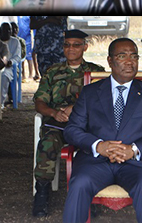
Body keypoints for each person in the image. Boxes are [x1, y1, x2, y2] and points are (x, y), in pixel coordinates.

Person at [62, 37, 142, 223]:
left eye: (134, 56)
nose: (130, 61)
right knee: (79, 183)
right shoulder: (90, 92)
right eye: (122, 56)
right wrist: (98, 146)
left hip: (136, 164)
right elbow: (72, 130)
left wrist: (134, 149)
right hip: (95, 163)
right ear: (110, 61)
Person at [32, 29, 105, 217]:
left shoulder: (96, 72)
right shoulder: (52, 72)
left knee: (98, 145)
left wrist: (77, 107)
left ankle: (94, 194)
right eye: (67, 45)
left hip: (88, 124)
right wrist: (54, 112)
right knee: (47, 142)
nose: (71, 49)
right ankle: (42, 191)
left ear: (85, 47)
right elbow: (39, 101)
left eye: (76, 45)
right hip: (59, 123)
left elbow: (104, 100)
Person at [0, 22, 21, 110]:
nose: (7, 32)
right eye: (4, 30)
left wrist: (10, 62)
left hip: (9, 68)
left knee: (4, 76)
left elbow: (17, 57)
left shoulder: (13, 42)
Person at [17, 15, 36, 81]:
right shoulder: (17, 16)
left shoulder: (28, 16)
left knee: (29, 57)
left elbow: (32, 27)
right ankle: (23, 75)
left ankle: (31, 74)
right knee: (21, 57)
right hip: (19, 38)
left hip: (27, 39)